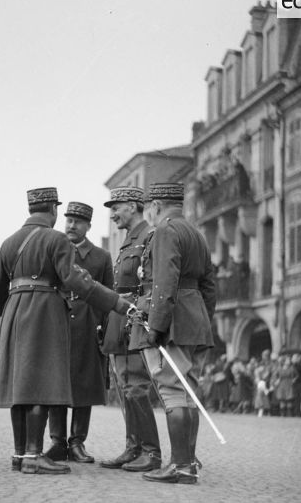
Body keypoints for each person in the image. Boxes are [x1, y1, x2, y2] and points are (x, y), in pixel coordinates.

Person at [0, 187, 131, 475]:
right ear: (53, 210)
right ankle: (33, 455)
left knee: (21, 385)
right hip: (45, 313)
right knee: (42, 382)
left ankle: (19, 454)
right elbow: (74, 280)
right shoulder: (56, 240)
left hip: (15, 313)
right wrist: (116, 302)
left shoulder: (8, 242)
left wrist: (8, 309)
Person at [130, 182, 216, 485]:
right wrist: (202, 319)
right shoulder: (196, 233)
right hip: (195, 321)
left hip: (174, 320)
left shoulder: (165, 231)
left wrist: (156, 326)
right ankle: (187, 461)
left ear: (155, 206)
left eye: (148, 209)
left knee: (172, 391)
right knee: (189, 393)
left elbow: (164, 282)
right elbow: (209, 286)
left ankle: (180, 467)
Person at [44, 202, 114, 464]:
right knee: (56, 383)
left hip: (87, 325)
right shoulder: (54, 250)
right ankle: (57, 442)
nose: (71, 225)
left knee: (84, 384)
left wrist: (102, 330)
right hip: (57, 322)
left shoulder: (100, 257)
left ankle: (77, 443)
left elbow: (109, 296)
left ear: (88, 227)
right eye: (69, 221)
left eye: (78, 222)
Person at [99, 186, 162, 473]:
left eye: (118, 206)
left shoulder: (150, 236)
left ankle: (151, 451)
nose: (112, 213)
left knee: (136, 386)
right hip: (121, 320)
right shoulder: (128, 241)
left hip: (136, 320)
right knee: (125, 387)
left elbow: (152, 283)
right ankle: (133, 447)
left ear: (135, 205)